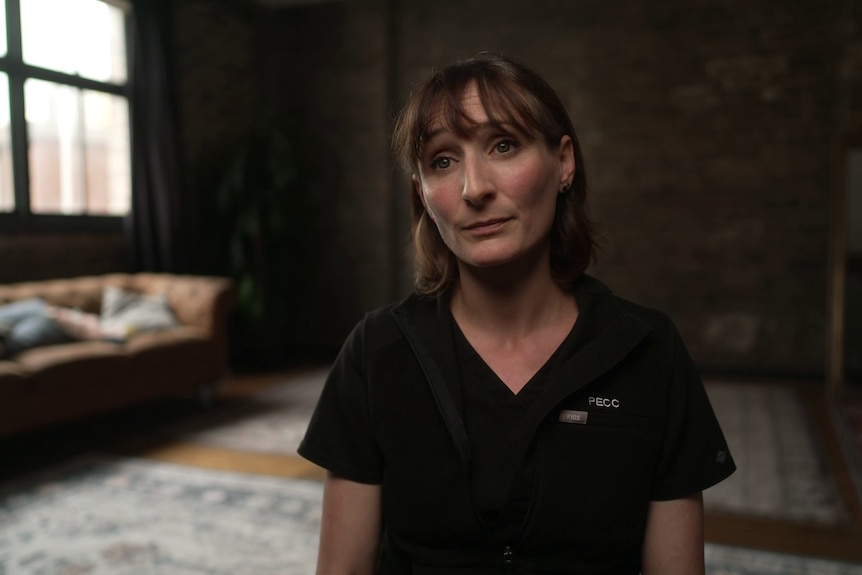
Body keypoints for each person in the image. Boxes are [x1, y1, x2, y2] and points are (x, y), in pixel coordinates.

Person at [298, 52, 735, 575]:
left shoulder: (649, 350)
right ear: (422, 194)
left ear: (564, 163)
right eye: (442, 161)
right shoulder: (376, 351)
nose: (474, 188)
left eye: (503, 145)